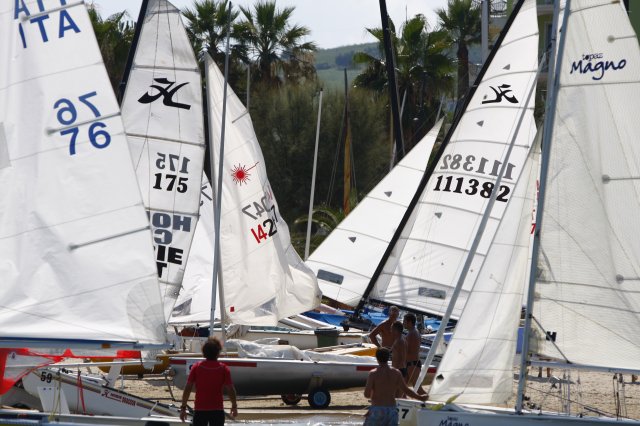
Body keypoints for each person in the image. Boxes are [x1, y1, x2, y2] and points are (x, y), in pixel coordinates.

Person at [180, 337, 238, 425]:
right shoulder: (223, 368)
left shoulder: (197, 367)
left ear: (204, 352)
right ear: (218, 352)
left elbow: (188, 388)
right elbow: (230, 389)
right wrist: (234, 406)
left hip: (200, 410)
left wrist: (183, 408)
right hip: (217, 410)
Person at [364, 347, 428, 426]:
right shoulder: (396, 372)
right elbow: (406, 390)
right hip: (392, 410)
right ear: (388, 358)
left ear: (377, 358)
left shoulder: (373, 373)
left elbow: (366, 394)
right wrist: (420, 398)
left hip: (377, 409)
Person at [403, 313, 426, 394]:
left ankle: (430, 401)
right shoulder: (413, 332)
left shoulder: (412, 333)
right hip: (411, 364)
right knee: (402, 387)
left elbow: (407, 351)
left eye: (404, 321)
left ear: (409, 322)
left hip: (412, 364)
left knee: (418, 388)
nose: (403, 323)